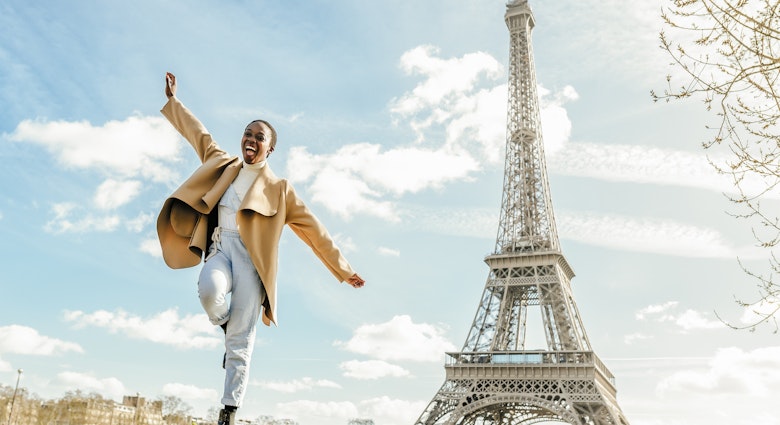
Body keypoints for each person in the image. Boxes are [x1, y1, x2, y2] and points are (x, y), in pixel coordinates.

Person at [156, 72, 365, 425]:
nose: (251, 139)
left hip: (253, 264)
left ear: (270, 148)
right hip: (221, 249)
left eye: (260, 137)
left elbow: (315, 230)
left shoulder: (280, 189)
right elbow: (197, 133)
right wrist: (174, 101)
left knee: (243, 341)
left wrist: (342, 269)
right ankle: (224, 325)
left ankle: (229, 410)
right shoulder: (222, 162)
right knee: (209, 292)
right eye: (248, 133)